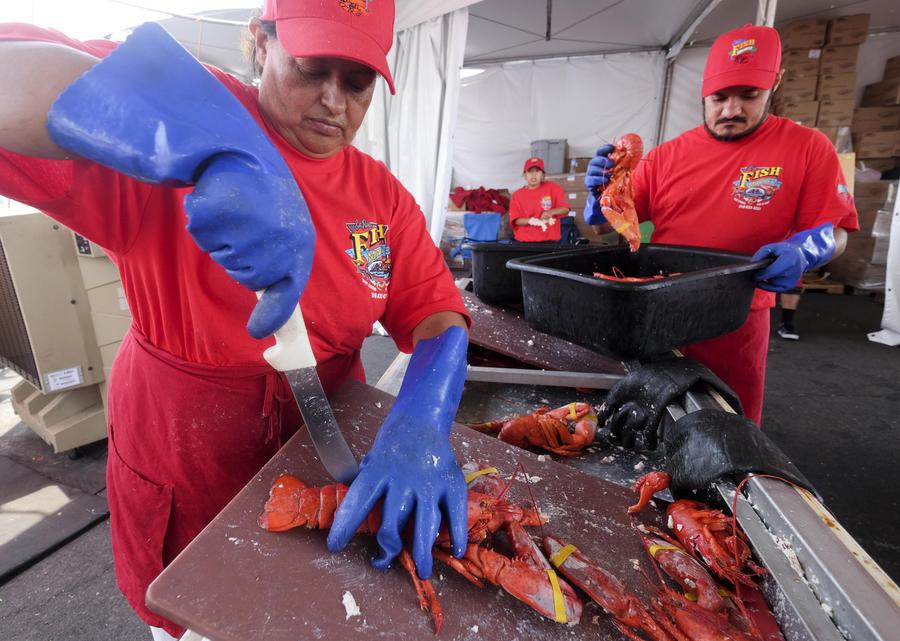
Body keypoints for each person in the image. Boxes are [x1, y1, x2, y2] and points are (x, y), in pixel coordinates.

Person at [0, 2, 472, 638]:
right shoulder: (191, 102)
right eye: (311, 68)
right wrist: (198, 147)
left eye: (357, 82)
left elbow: (439, 312)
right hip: (186, 447)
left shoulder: (380, 195)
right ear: (259, 42)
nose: (333, 101)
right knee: (196, 617)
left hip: (321, 446)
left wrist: (423, 415)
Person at [585, 24, 858, 428]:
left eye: (749, 96)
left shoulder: (808, 147)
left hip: (738, 320)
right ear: (703, 92)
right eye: (720, 97)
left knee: (730, 426)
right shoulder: (666, 157)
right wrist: (597, 201)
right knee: (650, 423)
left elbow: (838, 232)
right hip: (659, 315)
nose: (731, 110)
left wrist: (806, 249)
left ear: (775, 84)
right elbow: (601, 230)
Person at [508, 157, 571, 242]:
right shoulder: (517, 195)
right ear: (524, 175)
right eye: (530, 171)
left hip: (549, 242)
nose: (534, 175)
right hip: (525, 241)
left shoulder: (553, 188)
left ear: (543, 175)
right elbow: (516, 220)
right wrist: (531, 221)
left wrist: (550, 212)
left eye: (537, 171)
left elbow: (566, 209)